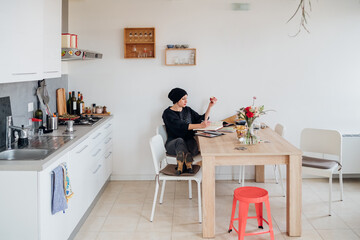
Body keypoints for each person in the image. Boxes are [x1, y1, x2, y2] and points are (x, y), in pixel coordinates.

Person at [162, 88, 217, 175]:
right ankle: (188, 165)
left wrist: (210, 106)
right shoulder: (168, 113)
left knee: (193, 145)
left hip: (188, 142)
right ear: (176, 99)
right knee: (180, 141)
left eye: (186, 98)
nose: (186, 101)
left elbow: (201, 119)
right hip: (173, 144)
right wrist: (201, 125)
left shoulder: (187, 110)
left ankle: (182, 165)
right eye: (183, 99)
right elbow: (181, 126)